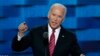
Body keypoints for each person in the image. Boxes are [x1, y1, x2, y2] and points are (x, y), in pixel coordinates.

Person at [12, 3, 85, 56]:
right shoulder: (35, 32)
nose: (55, 19)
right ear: (48, 15)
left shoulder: (70, 36)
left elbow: (77, 53)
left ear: (63, 19)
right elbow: (17, 48)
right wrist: (20, 33)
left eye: (59, 16)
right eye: (53, 15)